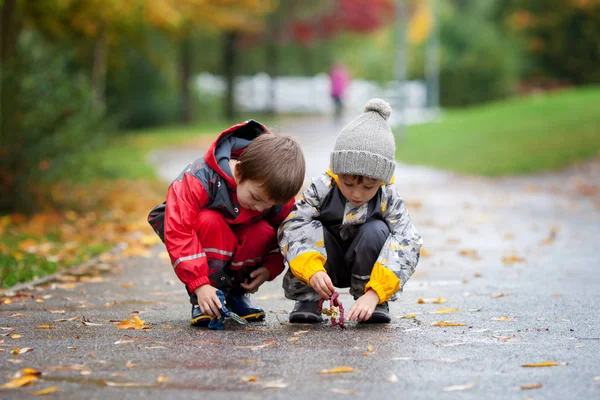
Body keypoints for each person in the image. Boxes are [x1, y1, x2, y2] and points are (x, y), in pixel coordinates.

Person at [148, 120, 305, 326]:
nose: (260, 208)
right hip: (207, 245)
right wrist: (199, 283)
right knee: (208, 221)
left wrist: (269, 267)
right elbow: (180, 229)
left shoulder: (271, 191)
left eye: (269, 205)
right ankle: (205, 299)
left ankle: (235, 295)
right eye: (256, 198)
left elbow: (287, 229)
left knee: (262, 230)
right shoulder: (199, 178)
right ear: (239, 173)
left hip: (242, 251)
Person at [278, 99, 422, 324]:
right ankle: (308, 298)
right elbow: (292, 225)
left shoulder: (388, 196)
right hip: (323, 264)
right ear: (338, 171)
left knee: (377, 230)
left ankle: (370, 299)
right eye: (348, 183)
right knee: (310, 226)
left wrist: (375, 293)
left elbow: (408, 241)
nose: (356, 194)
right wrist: (311, 270)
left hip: (367, 267)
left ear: (381, 181)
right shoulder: (323, 188)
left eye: (368, 187)